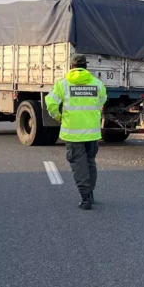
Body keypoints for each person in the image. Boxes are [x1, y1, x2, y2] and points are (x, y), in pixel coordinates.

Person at [46, 54, 107, 210]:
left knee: (79, 165)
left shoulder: (63, 84)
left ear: (71, 67)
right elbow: (102, 100)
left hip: (73, 133)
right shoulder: (97, 83)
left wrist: (59, 117)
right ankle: (90, 193)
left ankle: (85, 198)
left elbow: (51, 104)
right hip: (92, 133)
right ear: (86, 66)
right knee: (90, 162)